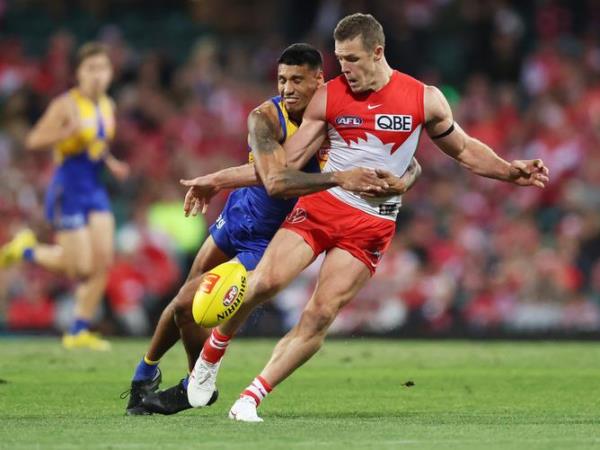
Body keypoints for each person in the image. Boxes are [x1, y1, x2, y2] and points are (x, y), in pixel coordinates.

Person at [184, 13, 550, 422]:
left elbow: (464, 150)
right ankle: (211, 357)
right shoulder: (329, 97)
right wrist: (219, 179)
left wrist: (508, 170)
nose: (345, 70)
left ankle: (251, 397)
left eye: (353, 60)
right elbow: (284, 167)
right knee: (264, 283)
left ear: (378, 52)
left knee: (320, 314)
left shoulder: (423, 98)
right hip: (323, 206)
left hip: (372, 225)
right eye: (340, 60)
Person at [122, 43, 421, 415]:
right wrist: (217, 180)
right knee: (185, 294)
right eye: (281, 80)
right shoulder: (266, 116)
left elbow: (403, 157)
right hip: (240, 212)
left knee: (191, 305)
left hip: (273, 235)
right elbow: (272, 178)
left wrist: (405, 179)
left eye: (297, 80)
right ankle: (145, 374)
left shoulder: (336, 118)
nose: (287, 89)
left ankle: (193, 384)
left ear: (319, 81)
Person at [0, 42, 129, 351]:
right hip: (68, 188)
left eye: (103, 68)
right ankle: (27, 249)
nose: (98, 75)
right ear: (78, 73)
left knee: (103, 261)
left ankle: (78, 329)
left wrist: (112, 164)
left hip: (94, 188)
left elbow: (97, 143)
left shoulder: (107, 105)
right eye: (91, 68)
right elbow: (34, 139)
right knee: (80, 268)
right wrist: (64, 133)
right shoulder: (66, 105)